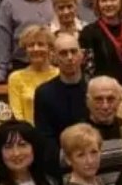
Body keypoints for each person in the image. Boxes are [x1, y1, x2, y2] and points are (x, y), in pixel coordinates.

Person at [31, 32, 89, 161]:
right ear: (54, 58)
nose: (70, 57)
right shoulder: (44, 93)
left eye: (73, 51)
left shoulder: (94, 88)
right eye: (63, 53)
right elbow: (45, 138)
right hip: (60, 161)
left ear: (81, 55)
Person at [78, 0, 122, 84]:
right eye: (104, 0)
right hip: (102, 90)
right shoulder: (88, 33)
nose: (108, 4)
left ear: (121, 1)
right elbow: (87, 71)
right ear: (98, 3)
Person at [7, 25, 59, 124]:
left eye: (40, 44)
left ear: (50, 48)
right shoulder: (16, 77)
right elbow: (17, 115)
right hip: (27, 131)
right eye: (31, 45)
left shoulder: (60, 75)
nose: (35, 49)